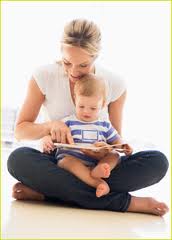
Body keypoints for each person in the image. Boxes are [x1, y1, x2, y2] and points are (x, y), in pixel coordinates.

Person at [8, 18, 169, 216]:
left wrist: (104, 153)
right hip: (62, 161)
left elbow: (115, 140)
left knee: (157, 161)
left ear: (96, 56)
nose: (73, 72)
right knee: (18, 159)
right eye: (67, 62)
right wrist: (50, 127)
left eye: (83, 65)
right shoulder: (43, 75)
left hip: (97, 166)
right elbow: (20, 130)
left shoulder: (114, 83)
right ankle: (128, 203)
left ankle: (49, 194)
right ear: (61, 51)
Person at [42, 74, 133, 198]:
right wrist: (47, 140)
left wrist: (124, 146)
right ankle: (97, 182)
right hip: (72, 162)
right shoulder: (67, 122)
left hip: (96, 162)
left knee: (114, 155)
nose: (86, 111)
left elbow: (117, 141)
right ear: (75, 100)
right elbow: (50, 134)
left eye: (93, 108)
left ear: (103, 104)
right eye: (81, 106)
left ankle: (100, 169)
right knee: (66, 161)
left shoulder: (105, 125)